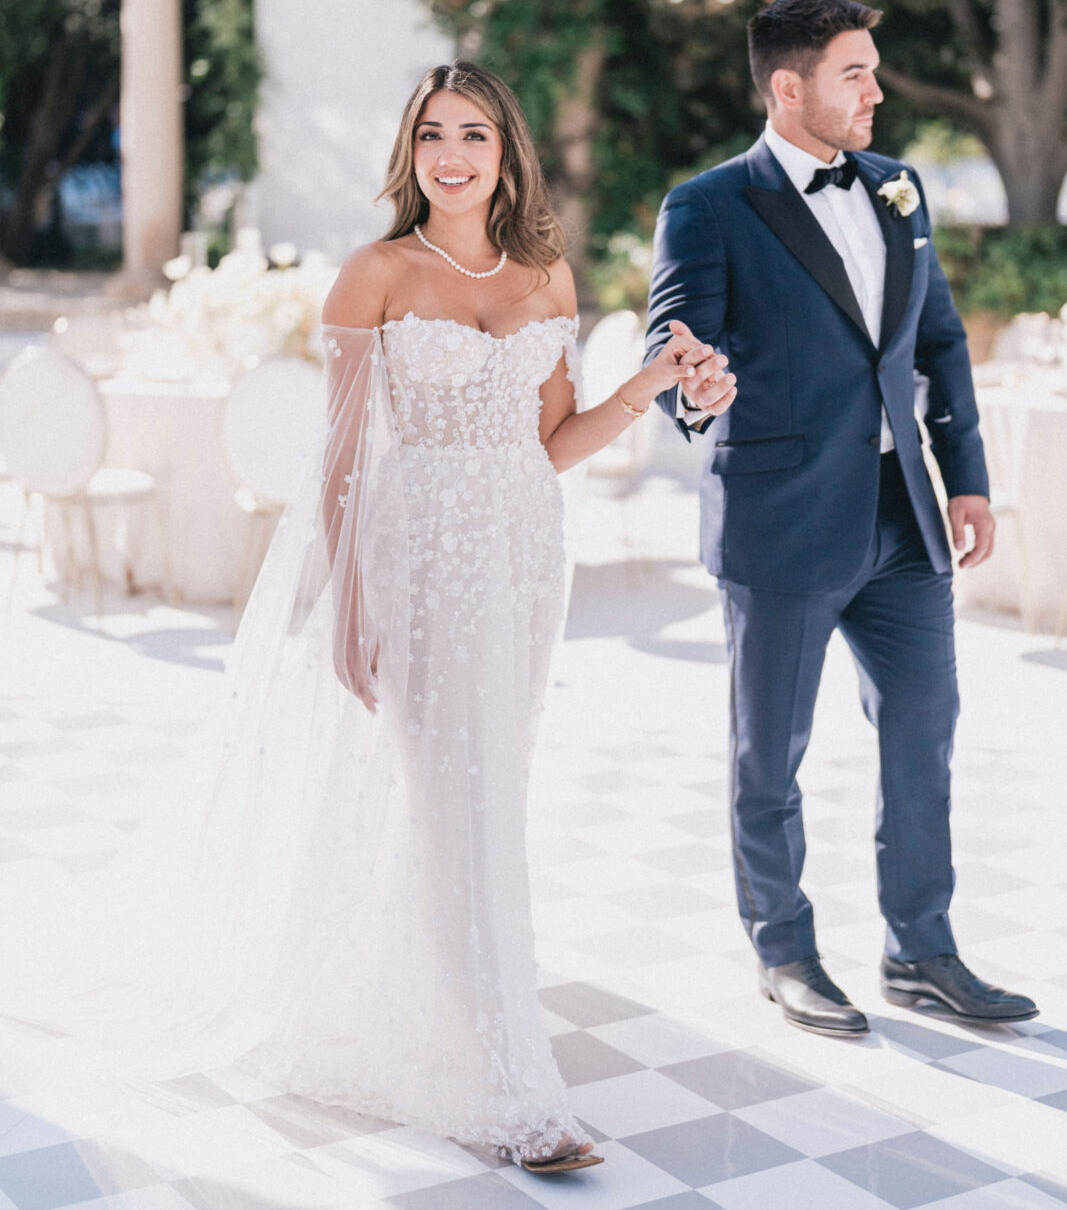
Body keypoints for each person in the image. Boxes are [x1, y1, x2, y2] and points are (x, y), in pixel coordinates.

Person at [0, 61, 732, 1174]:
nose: (452, 152)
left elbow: (554, 442)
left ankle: (435, 1006)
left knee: (486, 788)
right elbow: (337, 460)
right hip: (417, 547)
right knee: (456, 799)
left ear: (504, 150)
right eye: (432, 132)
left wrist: (648, 389)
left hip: (524, 552)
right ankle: (504, 1086)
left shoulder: (546, 274)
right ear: (410, 152)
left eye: (473, 132)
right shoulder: (374, 273)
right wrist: (345, 602)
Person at [644, 0, 1038, 1037]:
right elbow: (675, 343)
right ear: (788, 87)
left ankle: (920, 949)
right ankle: (783, 950)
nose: (874, 90)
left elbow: (937, 342)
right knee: (767, 753)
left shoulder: (898, 186)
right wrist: (694, 389)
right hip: (780, 519)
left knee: (923, 734)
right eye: (851, 73)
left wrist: (963, 477)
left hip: (899, 517)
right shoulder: (707, 204)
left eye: (870, 68)